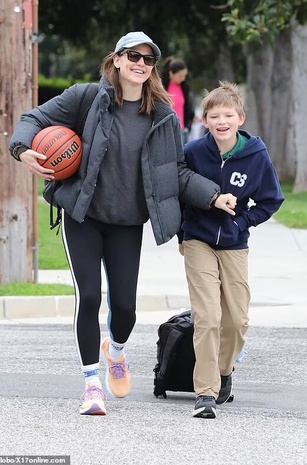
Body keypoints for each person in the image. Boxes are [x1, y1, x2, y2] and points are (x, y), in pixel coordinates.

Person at [9, 32, 237, 417]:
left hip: (127, 222)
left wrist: (213, 195)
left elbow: (175, 172)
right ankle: (92, 385)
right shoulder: (86, 98)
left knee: (126, 309)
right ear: (116, 59)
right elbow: (34, 119)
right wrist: (23, 149)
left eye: (148, 60)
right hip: (82, 215)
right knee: (90, 298)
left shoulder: (163, 113)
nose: (141, 64)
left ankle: (115, 351)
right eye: (134, 56)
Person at [178, 81, 284, 419]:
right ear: (204, 120)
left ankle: (224, 373)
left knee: (237, 320)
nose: (221, 121)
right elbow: (179, 190)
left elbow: (271, 200)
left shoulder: (256, 155)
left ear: (240, 118)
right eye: (214, 116)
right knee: (208, 317)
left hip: (235, 243)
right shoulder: (193, 153)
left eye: (228, 115)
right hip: (198, 240)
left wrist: (242, 222)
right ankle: (205, 394)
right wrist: (183, 231)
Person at [161, 57, 195, 144]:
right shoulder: (162, 87)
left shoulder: (185, 88)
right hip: (166, 131)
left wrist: (189, 124)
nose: (183, 79)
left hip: (182, 130)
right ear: (171, 73)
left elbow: (188, 107)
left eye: (184, 76)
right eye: (180, 76)